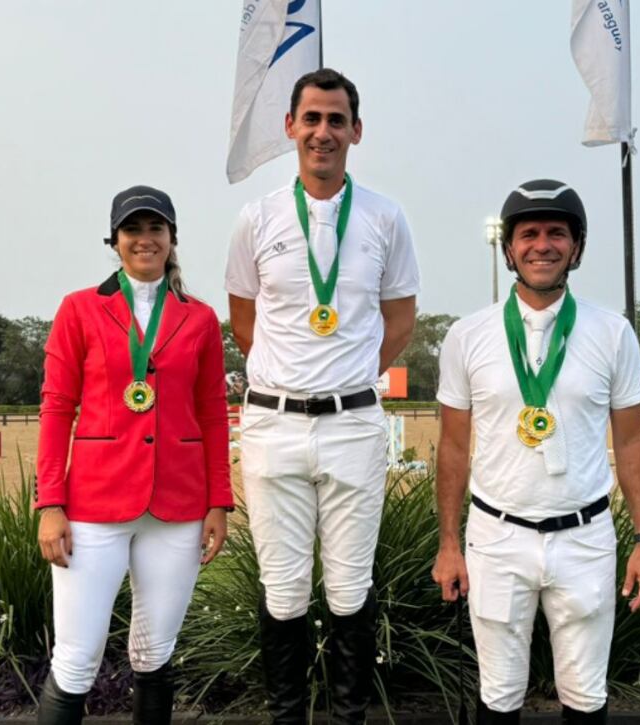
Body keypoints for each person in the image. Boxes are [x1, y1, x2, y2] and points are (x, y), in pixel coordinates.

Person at [226, 68, 419, 723]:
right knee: (282, 592)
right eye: (311, 119)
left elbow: (401, 316)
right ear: (290, 128)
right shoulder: (257, 217)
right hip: (274, 425)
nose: (323, 132)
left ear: (356, 131)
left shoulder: (386, 216)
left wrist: (352, 369)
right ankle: (286, 715)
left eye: (336, 120)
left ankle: (348, 716)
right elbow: (245, 318)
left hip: (353, 424)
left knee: (347, 588)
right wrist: (292, 374)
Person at [432, 179, 640, 724]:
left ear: (576, 247)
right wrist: (448, 543)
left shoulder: (613, 332)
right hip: (497, 537)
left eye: (557, 233)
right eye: (528, 233)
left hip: (584, 537)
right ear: (508, 248)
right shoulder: (468, 335)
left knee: (585, 696)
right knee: (499, 696)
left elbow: (630, 440)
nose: (543, 245)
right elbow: (453, 447)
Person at [35, 185, 233, 724]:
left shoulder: (200, 318)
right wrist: (49, 503)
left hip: (178, 507)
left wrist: (220, 501)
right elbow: (56, 409)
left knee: (155, 655)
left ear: (172, 239)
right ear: (115, 241)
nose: (145, 240)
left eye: (155, 229)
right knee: (76, 660)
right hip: (94, 506)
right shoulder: (79, 309)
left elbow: (214, 413)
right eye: (133, 230)